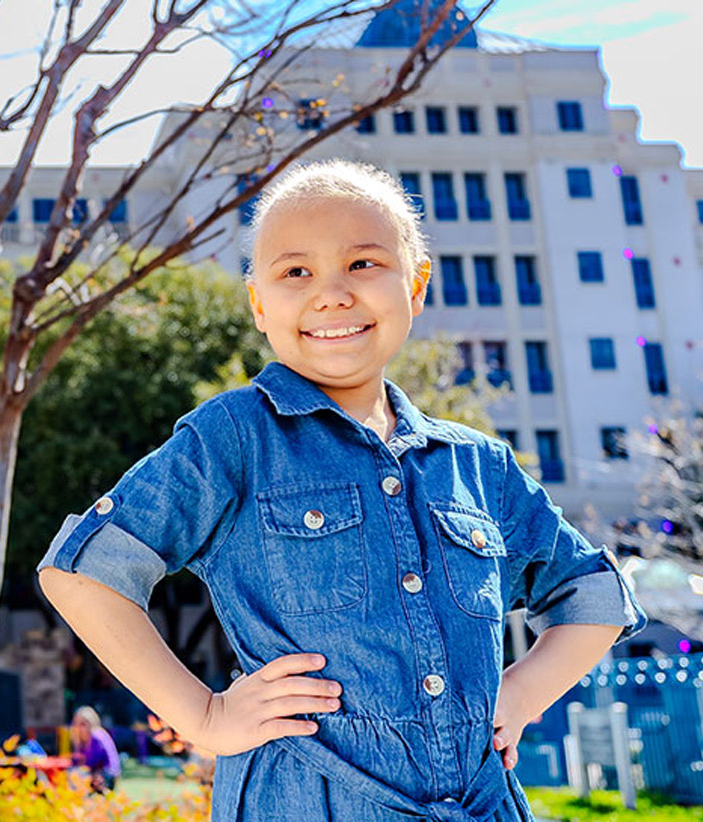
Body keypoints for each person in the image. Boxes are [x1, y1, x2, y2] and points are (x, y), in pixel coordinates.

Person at [37, 159, 649, 821]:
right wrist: (206, 717)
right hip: (303, 801)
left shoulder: (479, 465)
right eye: (295, 271)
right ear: (259, 305)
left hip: (483, 805)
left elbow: (594, 595)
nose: (331, 294)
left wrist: (523, 694)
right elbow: (84, 574)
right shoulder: (234, 437)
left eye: (363, 264)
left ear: (415, 286)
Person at [69, 706, 121, 792]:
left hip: (107, 776)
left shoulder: (96, 736)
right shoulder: (82, 739)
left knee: (76, 775)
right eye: (76, 724)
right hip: (96, 773)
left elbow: (92, 761)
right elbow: (77, 761)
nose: (78, 728)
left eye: (83, 724)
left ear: (91, 723)